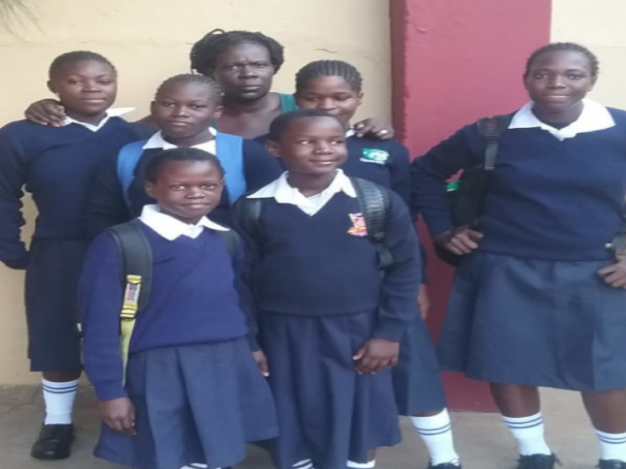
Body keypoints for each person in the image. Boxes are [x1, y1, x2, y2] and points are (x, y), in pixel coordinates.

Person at [410, 43, 626, 469]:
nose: (557, 83)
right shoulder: (493, 132)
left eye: (573, 75)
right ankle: (534, 452)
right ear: (526, 79)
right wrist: (443, 230)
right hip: (503, 268)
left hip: (596, 270)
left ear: (591, 81)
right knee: (508, 366)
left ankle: (617, 459)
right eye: (542, 74)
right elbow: (424, 173)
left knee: (605, 372)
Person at [293, 59, 460, 469]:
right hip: (316, 288)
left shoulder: (385, 150)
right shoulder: (281, 144)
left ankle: (445, 458)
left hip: (386, 280)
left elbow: (406, 220)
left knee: (414, 369)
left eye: (340, 97)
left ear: (358, 99)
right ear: (296, 100)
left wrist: (418, 280)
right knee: (341, 378)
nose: (327, 106)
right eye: (313, 97)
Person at [235, 109, 421, 469]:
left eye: (335, 141)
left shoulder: (375, 201)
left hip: (359, 331)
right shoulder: (254, 208)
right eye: (307, 141)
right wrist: (251, 341)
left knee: (360, 415)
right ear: (274, 148)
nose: (324, 149)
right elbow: (241, 281)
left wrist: (389, 333)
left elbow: (405, 268)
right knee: (292, 413)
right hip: (283, 332)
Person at [0, 51, 140, 460]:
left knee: (132, 331)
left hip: (130, 251)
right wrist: (10, 249)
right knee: (58, 333)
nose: (91, 88)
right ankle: (58, 421)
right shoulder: (20, 135)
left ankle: (141, 412)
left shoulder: (135, 134)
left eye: (103, 80)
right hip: (60, 249)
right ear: (53, 87)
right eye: (75, 80)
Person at [80, 147, 278, 469]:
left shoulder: (227, 238)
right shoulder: (122, 243)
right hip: (159, 368)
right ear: (151, 188)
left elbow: (239, 299)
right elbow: (98, 324)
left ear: (222, 185)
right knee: (171, 450)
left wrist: (251, 345)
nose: (195, 193)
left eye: (208, 185)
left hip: (225, 359)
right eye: (178, 186)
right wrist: (109, 390)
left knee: (215, 446)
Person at [22, 29, 395, 141]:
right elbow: (107, 136)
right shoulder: (181, 116)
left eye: (259, 65)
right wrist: (53, 107)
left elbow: (344, 133)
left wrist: (375, 128)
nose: (248, 73)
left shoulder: (303, 109)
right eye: (232, 66)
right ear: (208, 72)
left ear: (274, 67)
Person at [83, 73, 282, 237]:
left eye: (196, 106)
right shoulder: (128, 156)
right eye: (168, 104)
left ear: (216, 111)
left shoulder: (246, 152)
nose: (180, 113)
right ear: (153, 107)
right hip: (145, 259)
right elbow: (103, 215)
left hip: (228, 257)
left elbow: (271, 213)